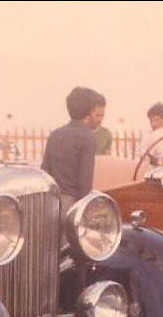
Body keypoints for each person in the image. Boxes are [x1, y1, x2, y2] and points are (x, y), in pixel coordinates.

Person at [41, 86, 105, 220]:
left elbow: (44, 171)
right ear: (89, 112)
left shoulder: (55, 135)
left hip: (51, 203)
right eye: (97, 114)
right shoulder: (87, 137)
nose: (100, 119)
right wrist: (86, 212)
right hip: (72, 204)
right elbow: (84, 182)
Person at [144, 103, 163, 167]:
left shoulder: (155, 135)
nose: (153, 124)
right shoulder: (150, 135)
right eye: (151, 121)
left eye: (157, 120)